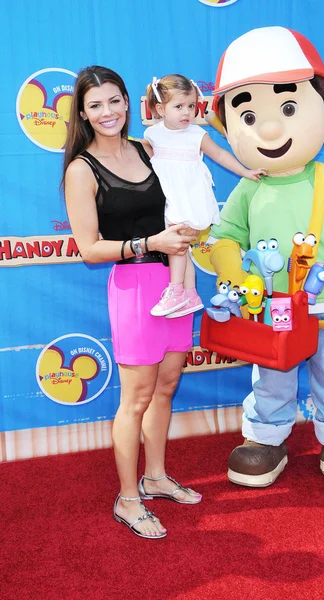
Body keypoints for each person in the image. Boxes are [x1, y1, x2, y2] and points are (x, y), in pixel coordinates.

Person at [208, 27, 324, 496]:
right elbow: (225, 236)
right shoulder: (248, 188)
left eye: (289, 108)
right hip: (274, 308)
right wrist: (232, 270)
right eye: (248, 114)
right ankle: (267, 439)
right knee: (272, 375)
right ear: (228, 127)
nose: (269, 128)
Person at [62, 65, 202, 540]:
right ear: (82, 112)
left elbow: (185, 187)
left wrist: (187, 232)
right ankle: (127, 498)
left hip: (175, 284)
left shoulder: (149, 147)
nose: (108, 112)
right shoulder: (82, 169)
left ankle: (156, 477)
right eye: (95, 104)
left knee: (165, 389)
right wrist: (150, 243)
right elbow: (88, 247)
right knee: (137, 398)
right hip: (134, 286)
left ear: (129, 102)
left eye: (115, 100)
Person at [144, 74, 267, 318]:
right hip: (165, 196)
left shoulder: (196, 135)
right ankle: (189, 293)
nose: (187, 112)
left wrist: (245, 171)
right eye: (178, 106)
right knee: (180, 246)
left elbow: (220, 155)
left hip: (188, 197)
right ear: (160, 108)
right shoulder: (152, 136)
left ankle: (176, 289)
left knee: (176, 243)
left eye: (191, 106)